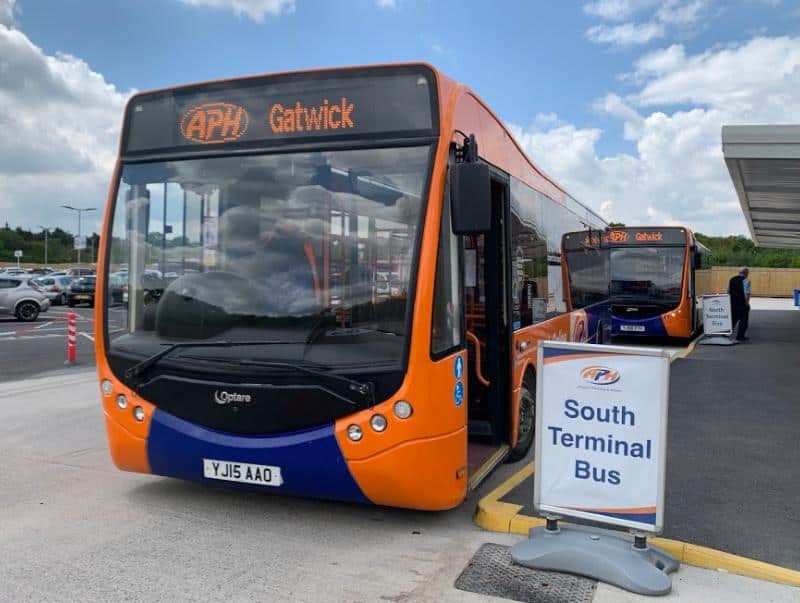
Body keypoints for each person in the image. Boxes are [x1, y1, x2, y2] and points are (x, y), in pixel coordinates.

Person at [728, 267, 750, 341]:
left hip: (732, 303)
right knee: (743, 321)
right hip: (742, 303)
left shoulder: (732, 279)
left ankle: (726, 334)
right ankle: (740, 336)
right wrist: (747, 304)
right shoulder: (746, 280)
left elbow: (728, 291)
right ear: (746, 273)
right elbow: (746, 293)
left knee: (733, 319)